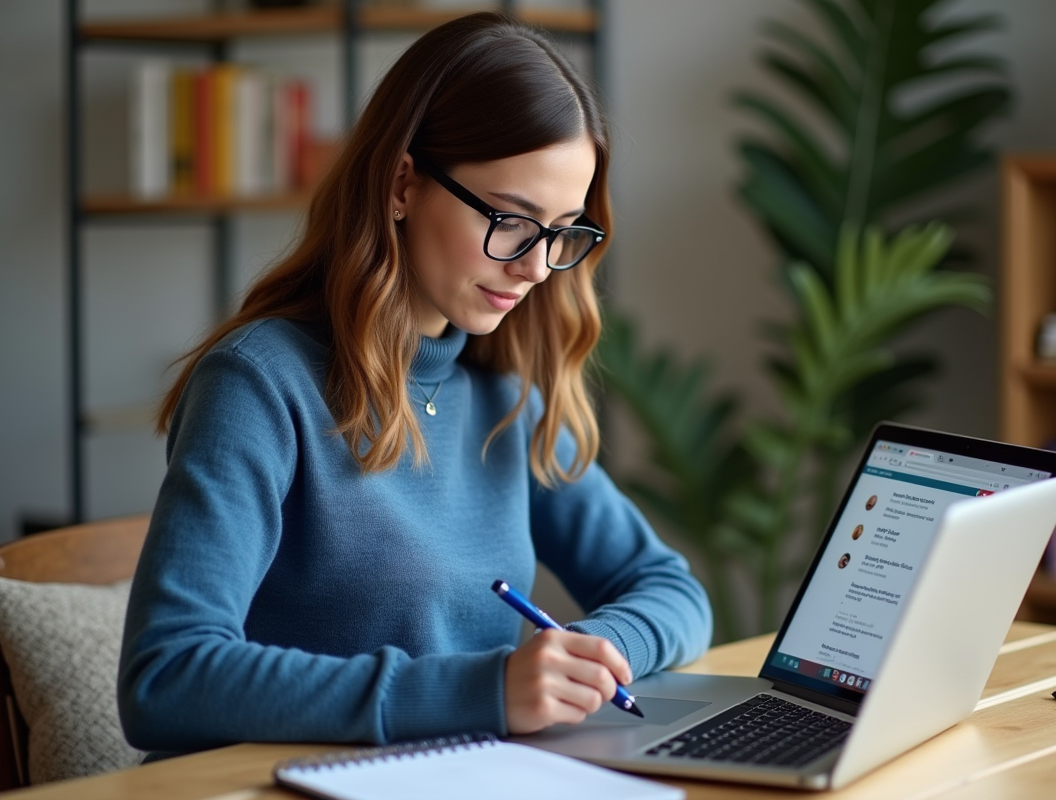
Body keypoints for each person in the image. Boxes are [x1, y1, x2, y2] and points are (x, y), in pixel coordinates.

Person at [118, 12, 712, 757]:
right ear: (403, 183)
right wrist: (483, 690)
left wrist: (590, 656)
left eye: (563, 230)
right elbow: (165, 678)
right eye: (511, 220)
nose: (535, 267)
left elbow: (673, 590)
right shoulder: (259, 384)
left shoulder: (505, 400)